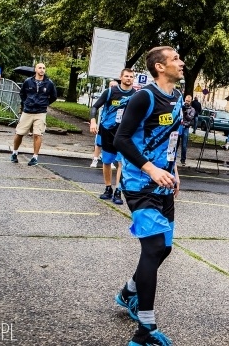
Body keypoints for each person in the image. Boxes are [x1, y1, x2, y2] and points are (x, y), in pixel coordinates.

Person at [113, 46, 184, 346]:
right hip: (140, 184)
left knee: (163, 248)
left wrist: (174, 171)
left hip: (164, 183)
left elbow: (172, 139)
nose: (181, 63)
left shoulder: (178, 98)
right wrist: (150, 169)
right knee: (153, 248)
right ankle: (145, 331)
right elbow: (121, 138)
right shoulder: (145, 97)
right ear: (159, 66)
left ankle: (129, 292)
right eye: (176, 59)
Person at [90, 71, 135, 204]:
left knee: (122, 163)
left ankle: (118, 191)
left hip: (124, 133)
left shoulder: (136, 95)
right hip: (107, 131)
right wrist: (93, 121)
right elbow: (95, 106)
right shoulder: (110, 92)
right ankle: (108, 188)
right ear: (121, 77)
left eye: (131, 77)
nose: (129, 79)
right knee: (107, 161)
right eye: (126, 76)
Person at [10, 63, 57, 166]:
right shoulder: (28, 81)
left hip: (40, 112)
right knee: (20, 133)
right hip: (28, 110)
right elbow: (22, 94)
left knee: (37, 134)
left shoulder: (49, 83)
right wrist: (26, 102)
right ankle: (14, 152)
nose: (42, 70)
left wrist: (45, 103)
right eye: (40, 68)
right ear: (35, 69)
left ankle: (35, 157)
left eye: (44, 68)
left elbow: (53, 96)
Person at [91, 80, 119, 168]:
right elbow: (95, 106)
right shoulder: (107, 94)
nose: (113, 87)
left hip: (117, 126)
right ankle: (95, 159)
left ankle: (110, 161)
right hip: (105, 124)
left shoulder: (121, 96)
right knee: (99, 143)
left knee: (113, 144)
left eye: (115, 86)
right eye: (112, 86)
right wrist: (93, 121)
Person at [178, 95, 196, 166]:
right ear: (184, 100)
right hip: (179, 126)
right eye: (186, 101)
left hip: (185, 127)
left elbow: (189, 118)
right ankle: (172, 158)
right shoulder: (180, 106)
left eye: (188, 101)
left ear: (191, 101)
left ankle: (183, 159)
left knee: (184, 145)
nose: (187, 102)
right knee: (175, 143)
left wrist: (185, 111)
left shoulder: (192, 109)